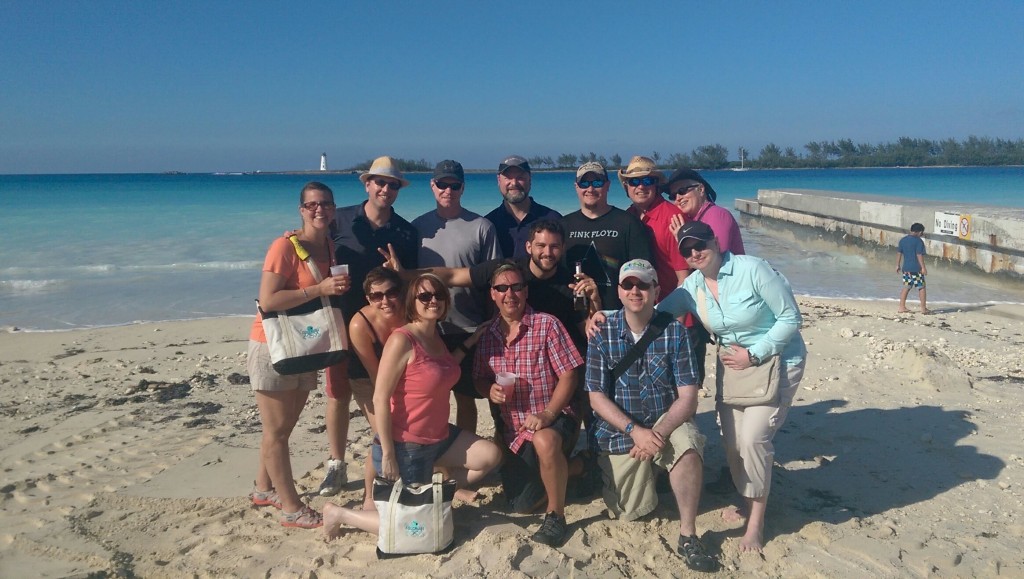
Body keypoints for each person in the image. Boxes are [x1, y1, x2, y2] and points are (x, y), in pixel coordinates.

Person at [660, 221, 806, 553]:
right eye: (687, 249)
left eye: (700, 244)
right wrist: (604, 314)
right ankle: (747, 497)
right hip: (734, 372)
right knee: (732, 444)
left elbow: (791, 318)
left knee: (754, 440)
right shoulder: (692, 287)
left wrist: (754, 354)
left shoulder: (751, 269)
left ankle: (755, 521)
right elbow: (652, 315)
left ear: (715, 240)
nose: (695, 252)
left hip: (777, 363)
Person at [322, 274, 502, 539]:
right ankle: (339, 513)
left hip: (440, 438)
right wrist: (387, 453)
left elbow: (441, 367)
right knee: (414, 527)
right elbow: (381, 398)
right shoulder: (402, 340)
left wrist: (471, 341)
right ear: (412, 301)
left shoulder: (435, 334)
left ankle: (433, 489)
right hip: (408, 445)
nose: (433, 301)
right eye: (425, 296)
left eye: (438, 295)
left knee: (490, 456)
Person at [585, 259, 718, 572]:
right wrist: (635, 431)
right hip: (622, 432)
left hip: (665, 423)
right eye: (628, 284)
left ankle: (688, 534)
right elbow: (596, 397)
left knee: (688, 447)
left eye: (643, 284)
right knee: (631, 511)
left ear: (657, 290)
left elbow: (688, 398)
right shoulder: (602, 334)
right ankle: (651, 475)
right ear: (618, 291)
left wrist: (656, 434)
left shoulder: (675, 333)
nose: (635, 291)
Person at [247, 181, 351, 529]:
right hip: (273, 345)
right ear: (301, 209)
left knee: (284, 427)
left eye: (325, 204)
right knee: (276, 430)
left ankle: (264, 489)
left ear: (334, 209)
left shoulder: (329, 248)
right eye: (311, 205)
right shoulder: (285, 246)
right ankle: (291, 507)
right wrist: (318, 289)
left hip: (306, 346)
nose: (319, 209)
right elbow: (268, 300)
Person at [319, 156, 420, 497]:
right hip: (341, 317)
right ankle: (336, 463)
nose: (385, 189)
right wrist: (294, 239)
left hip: (384, 324)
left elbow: (408, 285)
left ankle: (390, 452)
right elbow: (314, 246)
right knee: (338, 393)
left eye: (392, 185)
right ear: (367, 185)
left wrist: (399, 269)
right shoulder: (341, 219)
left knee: (386, 391)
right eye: (380, 182)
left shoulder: (407, 231)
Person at [474, 263, 584, 546]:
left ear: (526, 291)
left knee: (545, 441)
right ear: (493, 295)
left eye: (517, 286)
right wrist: (490, 390)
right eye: (502, 288)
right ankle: (577, 468)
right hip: (514, 430)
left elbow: (570, 374)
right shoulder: (487, 336)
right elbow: (478, 378)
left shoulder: (547, 324)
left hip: (555, 415)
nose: (510, 294)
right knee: (522, 504)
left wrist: (547, 414)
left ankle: (556, 517)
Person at [413, 160, 502, 433]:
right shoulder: (417, 228)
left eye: (454, 185)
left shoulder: (481, 226)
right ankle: (437, 452)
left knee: (467, 398)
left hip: (470, 327)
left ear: (463, 188)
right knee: (432, 396)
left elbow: (494, 281)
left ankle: (468, 451)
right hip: (429, 329)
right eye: (442, 184)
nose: (448, 190)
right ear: (432, 186)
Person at [346, 267, 406, 510]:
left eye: (391, 293)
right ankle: (369, 496)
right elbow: (376, 376)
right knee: (383, 432)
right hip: (367, 380)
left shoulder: (410, 312)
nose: (385, 300)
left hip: (404, 376)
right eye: (377, 296)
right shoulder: (360, 325)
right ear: (368, 299)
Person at [563, 161, 653, 311]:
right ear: (576, 187)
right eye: (584, 183)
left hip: (617, 316)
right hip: (574, 317)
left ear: (608, 185)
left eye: (597, 182)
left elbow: (643, 275)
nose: (590, 189)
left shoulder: (628, 223)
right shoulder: (564, 225)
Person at [619, 156, 690, 296]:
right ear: (627, 187)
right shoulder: (627, 217)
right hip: (638, 303)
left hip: (670, 303)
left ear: (656, 185)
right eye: (634, 181)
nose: (641, 186)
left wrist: (678, 317)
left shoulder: (673, 218)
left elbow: (684, 277)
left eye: (647, 180)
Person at [484, 155, 561, 259]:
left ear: (530, 179)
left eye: (520, 177)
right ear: (499, 180)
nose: (514, 183)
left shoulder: (553, 219)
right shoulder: (488, 224)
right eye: (508, 178)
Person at [665, 168, 745, 255]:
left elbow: (715, 257)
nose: (678, 198)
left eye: (682, 191)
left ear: (701, 189)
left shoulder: (717, 215)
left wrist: (682, 239)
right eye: (673, 196)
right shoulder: (694, 220)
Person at [897, 222, 929, 314]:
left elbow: (899, 253)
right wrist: (923, 267)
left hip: (906, 268)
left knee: (906, 287)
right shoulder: (918, 241)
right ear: (919, 232)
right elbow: (919, 255)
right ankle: (923, 309)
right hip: (916, 269)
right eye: (922, 233)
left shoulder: (903, 240)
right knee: (921, 287)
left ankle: (901, 307)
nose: (922, 234)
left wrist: (897, 265)